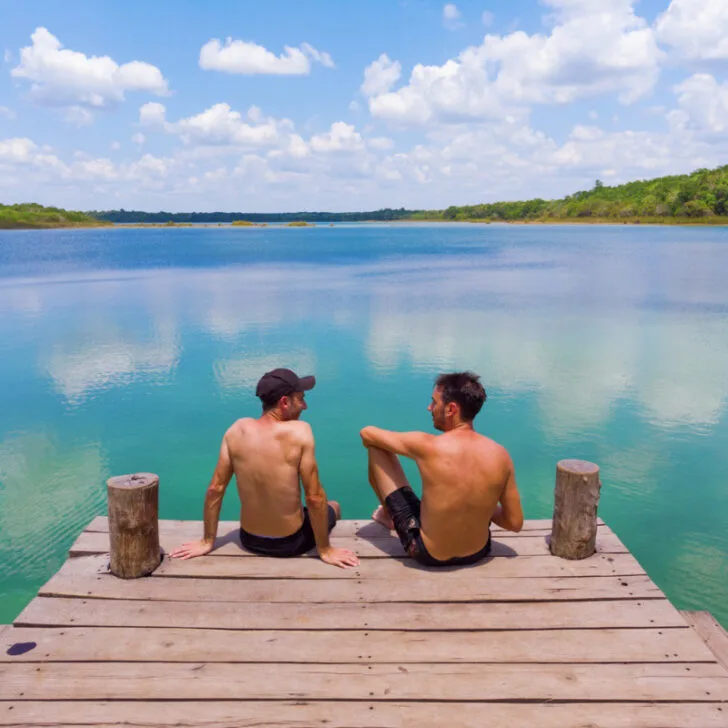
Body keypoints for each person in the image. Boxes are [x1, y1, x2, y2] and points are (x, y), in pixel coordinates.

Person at [170, 368, 359, 569]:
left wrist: (207, 541)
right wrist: (325, 549)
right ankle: (327, 540)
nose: (305, 406)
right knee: (333, 506)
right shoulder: (300, 432)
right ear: (284, 402)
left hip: (249, 539)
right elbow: (314, 498)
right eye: (301, 399)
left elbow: (215, 489)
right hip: (289, 543)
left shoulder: (237, 429)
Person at [360, 371, 523, 567]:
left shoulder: (427, 445)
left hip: (429, 554)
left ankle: (388, 515)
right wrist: (481, 503)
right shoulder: (500, 454)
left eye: (434, 402)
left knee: (377, 447)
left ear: (451, 409)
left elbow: (366, 433)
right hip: (479, 552)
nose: (429, 408)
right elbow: (514, 523)